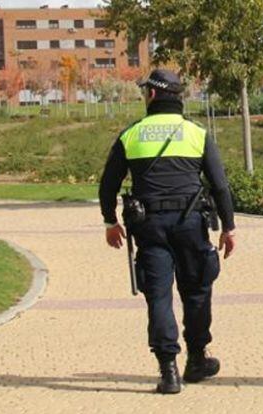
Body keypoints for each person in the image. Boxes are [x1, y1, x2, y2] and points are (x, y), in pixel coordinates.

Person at [99, 69, 236, 394]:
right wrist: (228, 227)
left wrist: (110, 222)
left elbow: (108, 185)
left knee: (158, 295)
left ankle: (168, 371)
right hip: (191, 224)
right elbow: (220, 185)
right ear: (178, 97)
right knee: (198, 290)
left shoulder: (131, 135)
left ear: (152, 95)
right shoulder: (196, 134)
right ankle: (197, 357)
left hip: (149, 227)